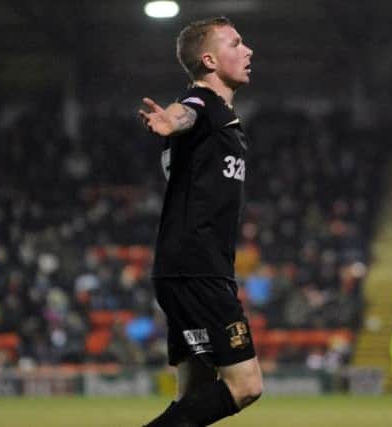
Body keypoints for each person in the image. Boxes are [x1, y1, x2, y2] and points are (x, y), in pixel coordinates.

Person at [139, 17, 263, 426]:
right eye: (236, 43)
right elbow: (185, 112)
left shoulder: (222, 121)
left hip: (187, 268)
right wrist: (169, 121)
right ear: (209, 59)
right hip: (197, 269)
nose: (248, 51)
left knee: (194, 395)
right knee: (245, 385)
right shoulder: (203, 103)